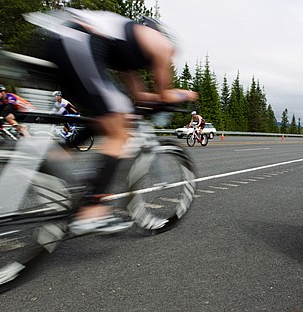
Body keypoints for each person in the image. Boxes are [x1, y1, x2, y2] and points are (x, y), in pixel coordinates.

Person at [25, 9, 198, 235]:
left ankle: (57, 155)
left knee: (113, 114)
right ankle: (91, 209)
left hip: (60, 42)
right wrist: (185, 95)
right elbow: (164, 95)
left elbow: (140, 98)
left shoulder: (127, 53)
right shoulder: (160, 43)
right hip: (77, 41)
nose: (170, 58)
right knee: (119, 132)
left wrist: (153, 103)